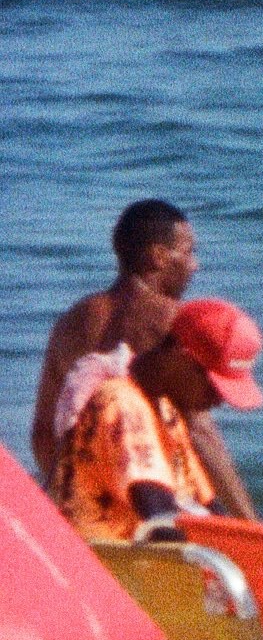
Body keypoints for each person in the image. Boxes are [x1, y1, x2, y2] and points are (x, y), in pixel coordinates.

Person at [47, 284, 262, 545]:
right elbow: (160, 522)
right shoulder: (121, 403)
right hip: (101, 561)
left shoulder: (165, 409)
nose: (219, 400)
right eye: (213, 386)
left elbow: (208, 505)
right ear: (178, 357)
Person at [30, 201, 199, 490]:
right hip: (156, 502)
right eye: (188, 252)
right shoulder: (174, 320)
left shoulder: (70, 321)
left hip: (82, 500)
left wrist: (76, 491)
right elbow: (200, 433)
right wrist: (249, 521)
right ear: (158, 256)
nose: (194, 264)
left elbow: (43, 434)